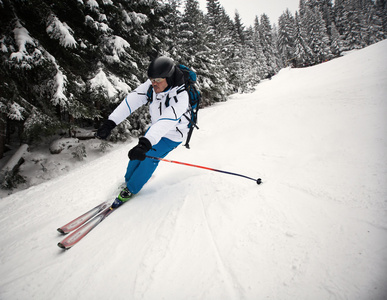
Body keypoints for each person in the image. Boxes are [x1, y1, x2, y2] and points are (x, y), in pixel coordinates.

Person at [96, 56, 190, 207]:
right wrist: (110, 122)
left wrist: (146, 143)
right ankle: (128, 180)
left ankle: (132, 189)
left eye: (157, 80)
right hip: (155, 129)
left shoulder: (181, 96)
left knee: (148, 157)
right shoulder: (152, 85)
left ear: (169, 77)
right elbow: (131, 100)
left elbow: (167, 120)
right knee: (136, 155)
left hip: (172, 135)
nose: (153, 84)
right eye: (151, 79)